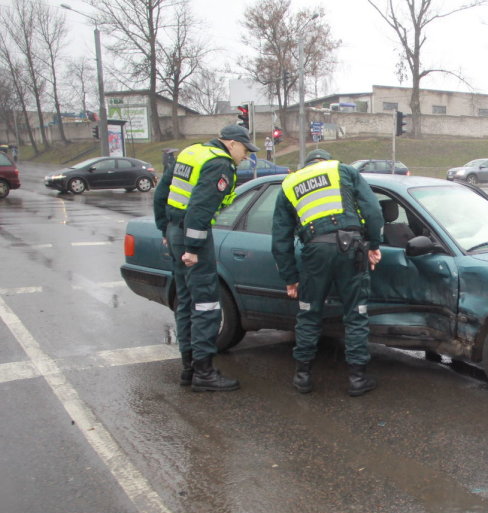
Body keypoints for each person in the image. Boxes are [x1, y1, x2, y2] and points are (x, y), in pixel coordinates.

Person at [271, 149, 384, 396]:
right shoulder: (342, 170)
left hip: (315, 251)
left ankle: (302, 377)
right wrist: (374, 245)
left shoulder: (290, 183)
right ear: (326, 160)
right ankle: (357, 379)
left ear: (307, 164)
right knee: (356, 314)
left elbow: (280, 239)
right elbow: (373, 211)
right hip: (351, 249)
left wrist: (290, 278)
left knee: (309, 314)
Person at [153, 124, 257, 391]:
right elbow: (200, 209)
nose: (245, 156)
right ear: (232, 143)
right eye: (245, 149)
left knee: (186, 302)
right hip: (193, 236)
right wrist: (192, 247)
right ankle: (204, 373)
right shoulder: (219, 163)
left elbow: (162, 193)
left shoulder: (191, 153)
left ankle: (188, 368)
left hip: (176, 230)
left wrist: (165, 228)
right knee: (206, 305)